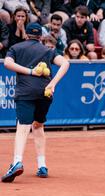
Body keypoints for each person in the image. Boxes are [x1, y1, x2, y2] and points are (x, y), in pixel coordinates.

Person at [2, 22, 69, 182]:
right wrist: (52, 83)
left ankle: (17, 162)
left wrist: (30, 71)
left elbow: (7, 63)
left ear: (26, 35)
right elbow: (66, 63)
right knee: (38, 125)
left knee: (23, 126)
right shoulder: (48, 50)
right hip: (45, 93)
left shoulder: (16, 48)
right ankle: (42, 165)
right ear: (40, 36)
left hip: (26, 92)